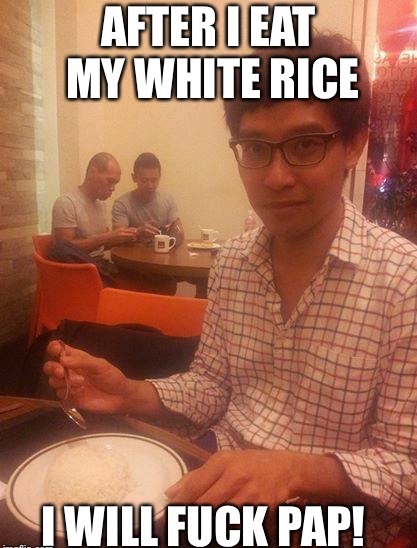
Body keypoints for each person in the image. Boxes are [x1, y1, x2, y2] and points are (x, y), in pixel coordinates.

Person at [44, 33, 417, 547]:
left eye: (306, 145)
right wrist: (133, 392)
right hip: (213, 480)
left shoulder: (404, 282)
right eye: (256, 149)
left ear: (354, 144)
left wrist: (293, 470)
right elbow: (214, 386)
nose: (277, 177)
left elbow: (407, 467)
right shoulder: (233, 264)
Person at [50, 152, 137, 283]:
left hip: (99, 267)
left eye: (115, 183)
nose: (113, 188)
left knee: (145, 277)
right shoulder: (66, 203)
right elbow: (64, 249)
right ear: (92, 172)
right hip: (78, 273)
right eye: (110, 181)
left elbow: (101, 245)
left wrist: (126, 236)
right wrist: (106, 237)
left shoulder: (100, 205)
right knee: (137, 283)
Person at [112, 152, 184, 245]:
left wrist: (177, 230)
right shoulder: (122, 203)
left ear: (160, 177)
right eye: (144, 180)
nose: (150, 185)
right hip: (132, 254)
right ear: (134, 178)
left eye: (154, 180)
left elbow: (178, 231)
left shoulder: (168, 200)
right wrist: (138, 232)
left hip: (162, 253)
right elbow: (117, 239)